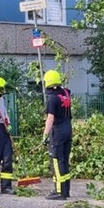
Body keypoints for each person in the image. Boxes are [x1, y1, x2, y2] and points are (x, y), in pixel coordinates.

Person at [42, 70, 72, 200]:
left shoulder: (52, 98)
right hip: (68, 129)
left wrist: (45, 134)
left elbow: (50, 118)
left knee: (56, 160)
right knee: (64, 160)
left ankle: (59, 191)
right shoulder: (66, 93)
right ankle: (66, 191)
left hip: (58, 132)